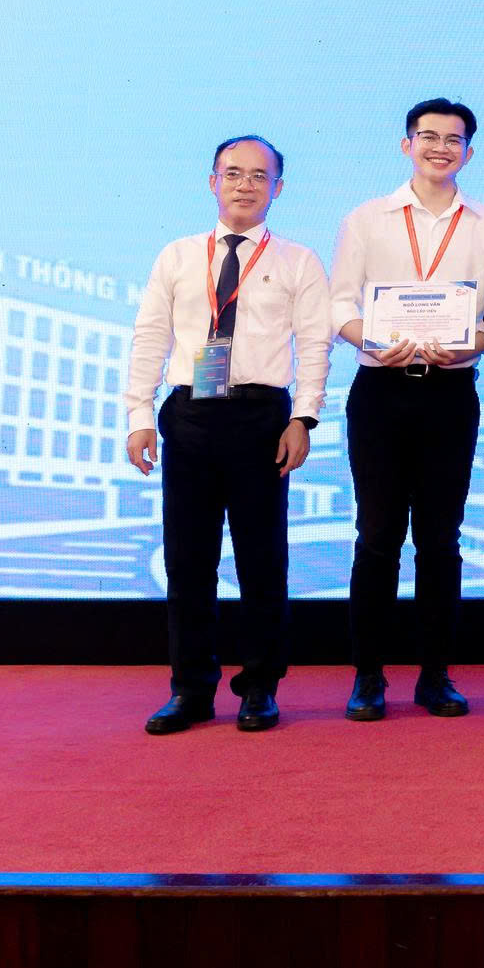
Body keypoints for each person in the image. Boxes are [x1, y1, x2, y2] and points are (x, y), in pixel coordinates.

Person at [124, 135, 332, 736]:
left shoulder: (298, 260)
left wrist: (304, 418)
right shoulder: (177, 255)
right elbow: (151, 336)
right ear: (212, 181)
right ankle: (190, 690)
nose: (245, 185)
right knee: (188, 561)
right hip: (189, 415)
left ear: (278, 188)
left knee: (262, 560)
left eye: (259, 176)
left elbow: (314, 343)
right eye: (233, 173)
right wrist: (139, 415)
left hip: (261, 418)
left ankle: (260, 687)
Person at [327, 97, 484, 722]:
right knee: (376, 536)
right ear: (407, 144)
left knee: (440, 540)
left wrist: (470, 343)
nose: (440, 148)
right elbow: (340, 304)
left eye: (453, 139)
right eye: (428, 137)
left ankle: (436, 676)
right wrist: (372, 339)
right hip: (379, 392)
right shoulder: (367, 219)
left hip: (450, 395)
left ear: (469, 152)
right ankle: (368, 676)